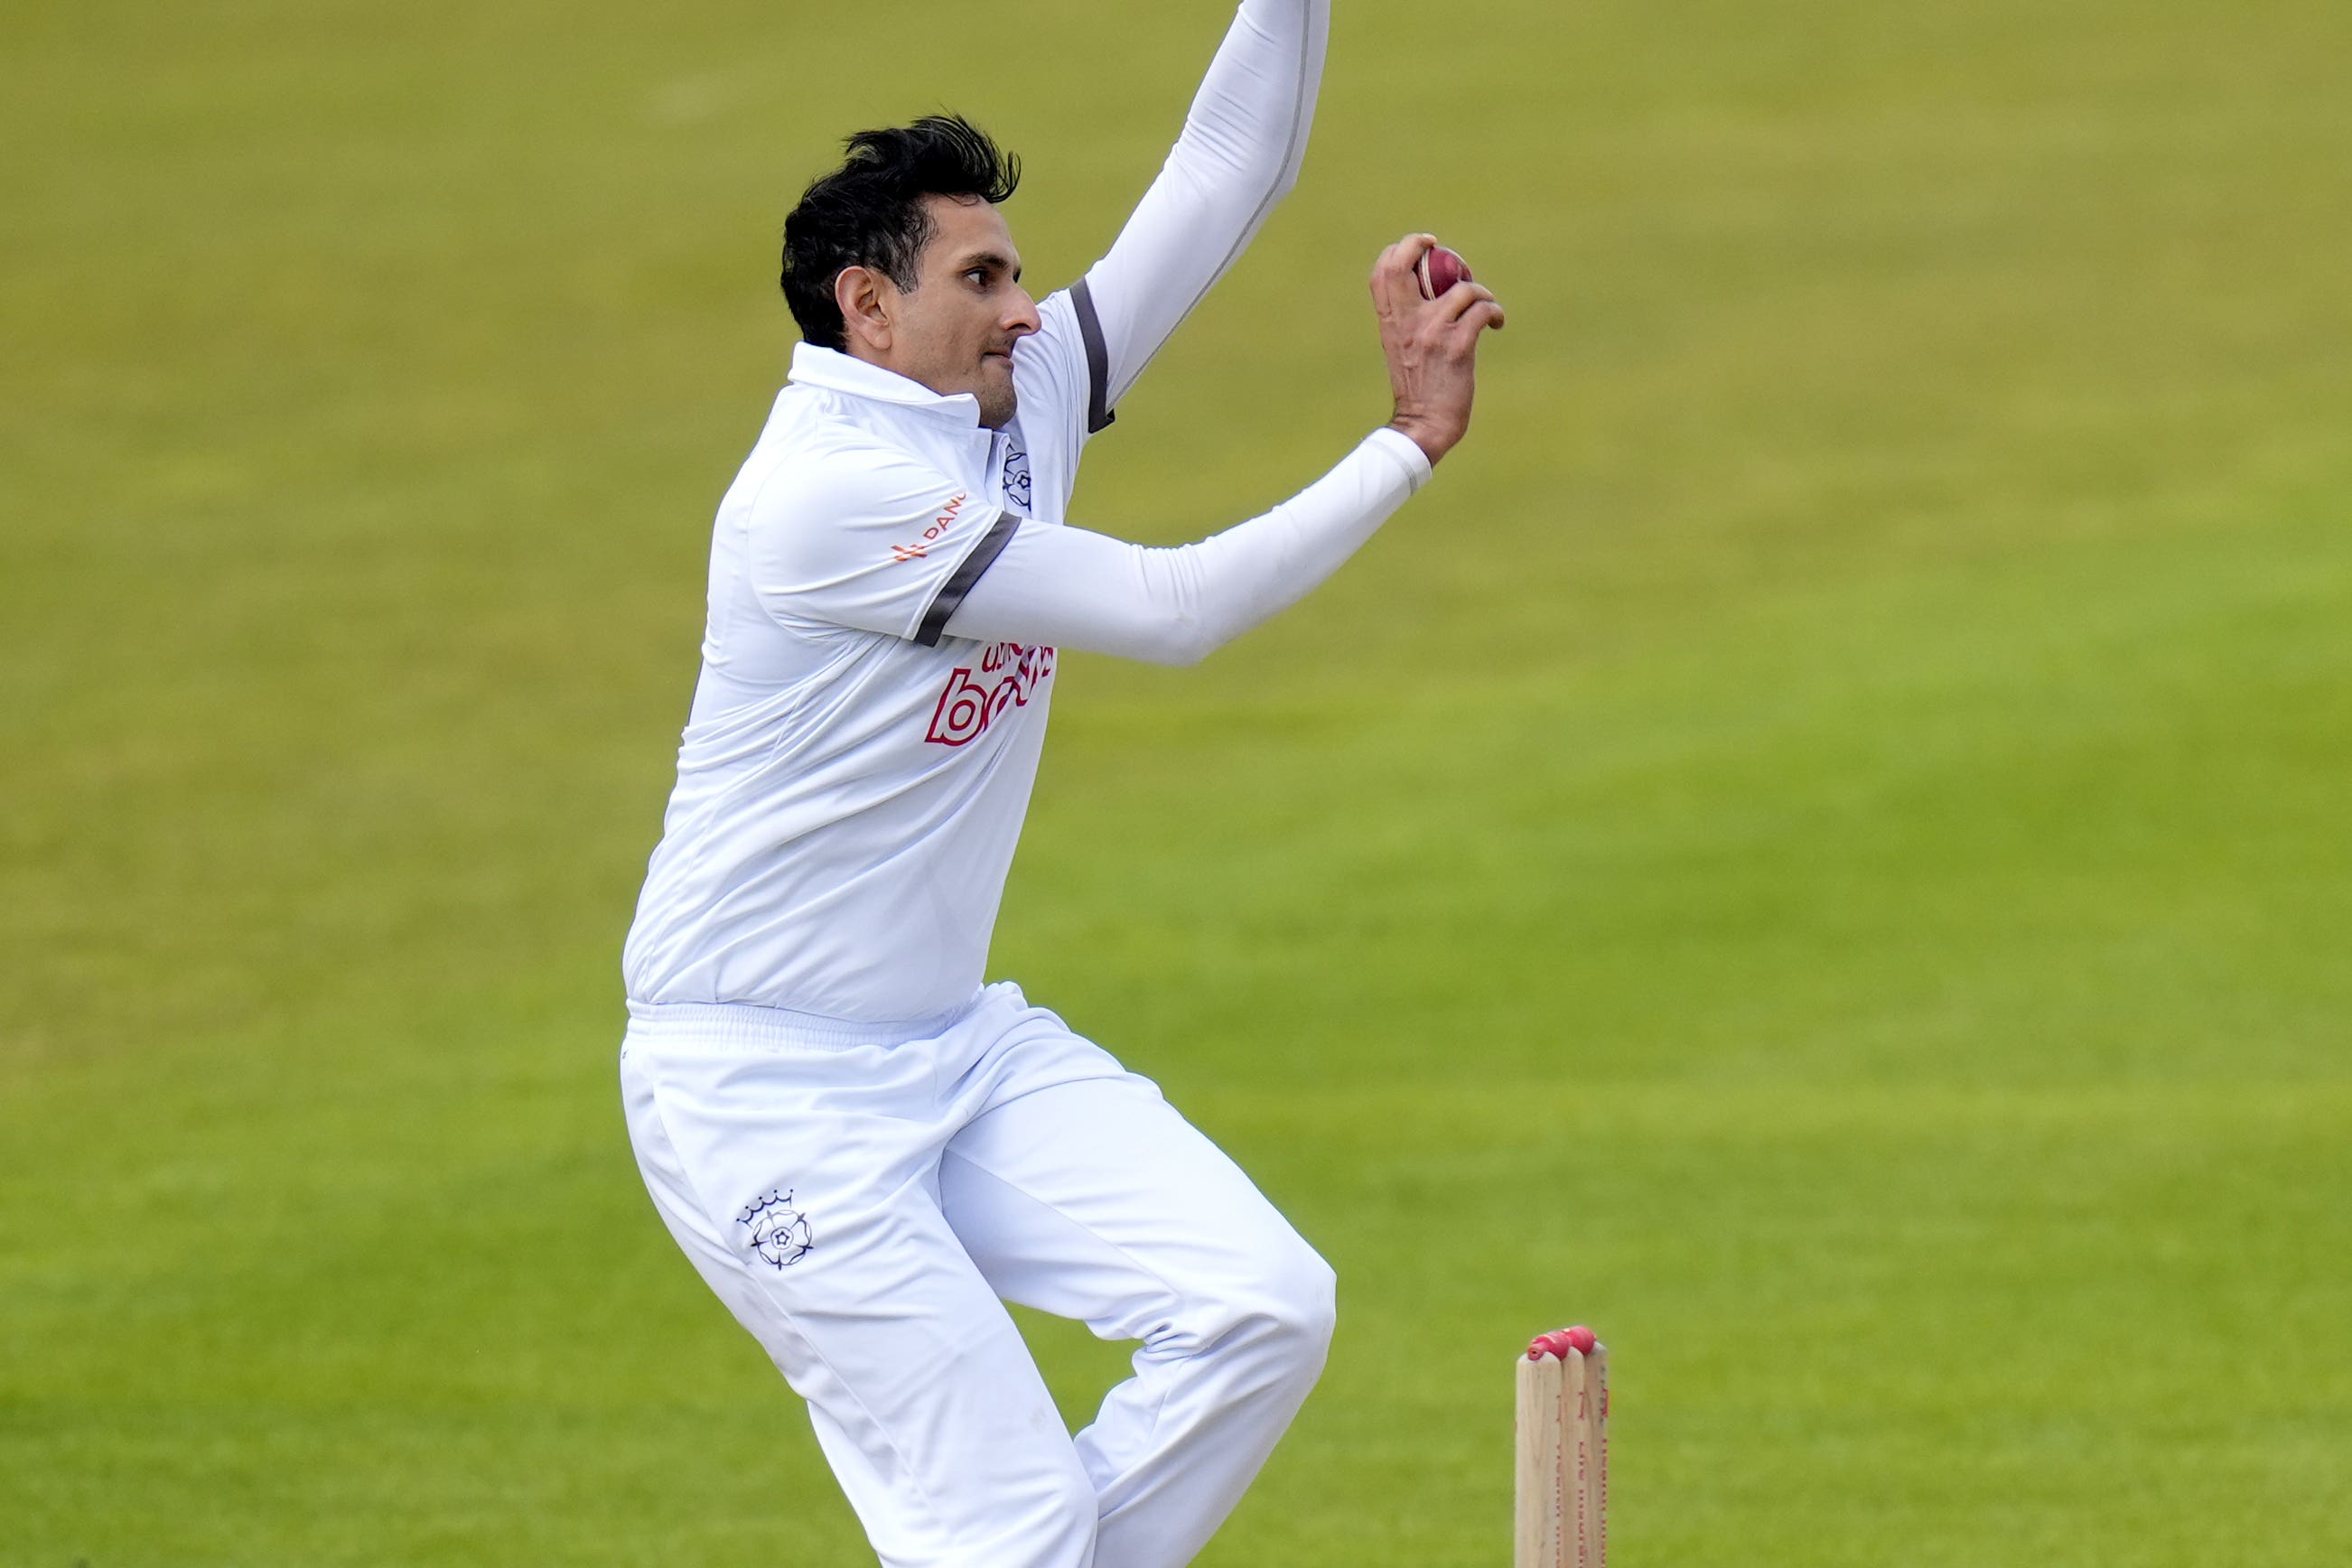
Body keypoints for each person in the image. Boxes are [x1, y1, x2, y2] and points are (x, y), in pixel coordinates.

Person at [615, 1, 1502, 1563]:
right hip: (763, 1096)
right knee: (1009, 1519)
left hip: (951, 1048)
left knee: (1258, 1306)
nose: (1031, 312)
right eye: (983, 278)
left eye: (1016, 271)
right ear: (866, 310)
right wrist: (1409, 446)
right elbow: (1175, 613)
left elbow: (1233, 164)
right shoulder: (828, 496)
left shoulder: (1000, 403)